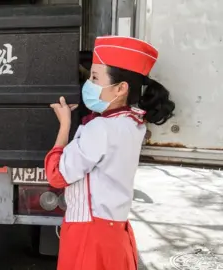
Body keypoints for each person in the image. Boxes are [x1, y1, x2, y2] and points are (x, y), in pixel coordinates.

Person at [45, 36, 175, 270]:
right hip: (115, 233)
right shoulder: (134, 123)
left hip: (89, 235)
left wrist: (65, 124)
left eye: (95, 78)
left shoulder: (100, 128)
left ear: (121, 88)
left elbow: (56, 174)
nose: (89, 84)